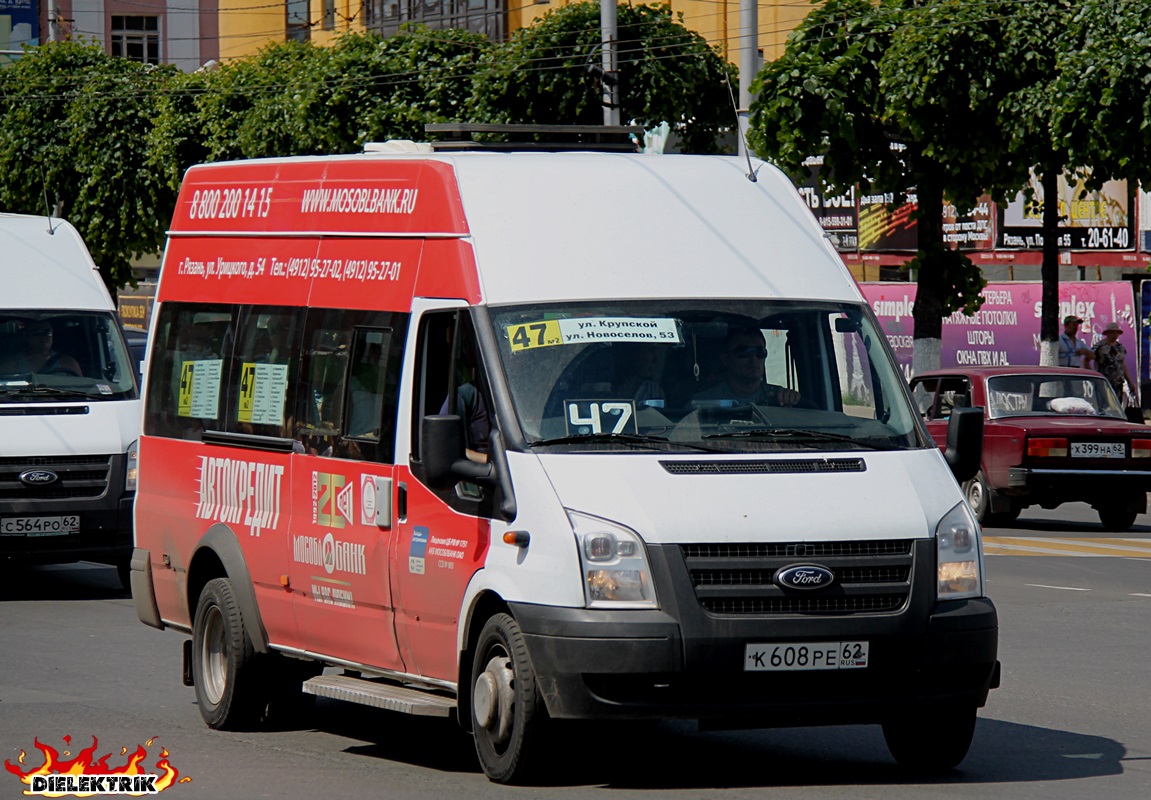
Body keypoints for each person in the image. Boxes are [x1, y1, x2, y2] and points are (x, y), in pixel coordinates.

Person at [693, 326, 800, 407]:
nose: (753, 359)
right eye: (744, 352)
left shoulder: (780, 398)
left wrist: (792, 400)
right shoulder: (703, 403)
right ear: (725, 359)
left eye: (760, 352)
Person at [0, 322, 81, 376]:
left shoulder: (68, 363)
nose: (44, 337)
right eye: (38, 333)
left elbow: (84, 393)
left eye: (48, 332)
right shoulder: (10, 365)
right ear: (26, 336)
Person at [1093, 321, 1138, 415]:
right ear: (1107, 333)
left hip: (1117, 382)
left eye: (1116, 332)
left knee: (1117, 406)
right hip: (1104, 381)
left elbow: (1123, 364)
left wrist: (1130, 381)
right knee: (1104, 406)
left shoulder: (1120, 347)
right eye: (1112, 332)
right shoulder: (1099, 346)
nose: (1114, 334)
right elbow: (1089, 359)